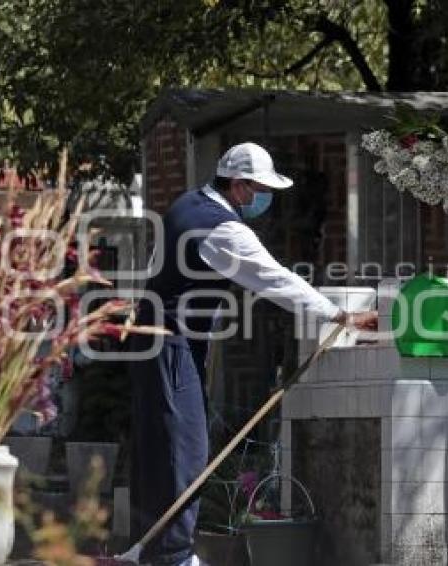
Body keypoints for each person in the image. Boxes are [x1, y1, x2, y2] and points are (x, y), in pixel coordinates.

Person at [120, 142, 377, 565]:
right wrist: (340, 315)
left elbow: (157, 270)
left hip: (154, 341)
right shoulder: (223, 228)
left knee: (158, 447)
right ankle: (174, 556)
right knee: (184, 451)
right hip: (171, 344)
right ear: (238, 186)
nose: (265, 199)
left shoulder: (186, 204)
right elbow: (275, 280)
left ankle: (147, 550)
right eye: (260, 189)